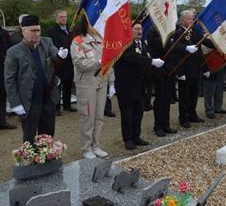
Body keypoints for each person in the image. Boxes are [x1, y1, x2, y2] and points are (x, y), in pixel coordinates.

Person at [4, 15, 69, 142]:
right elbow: (9, 80)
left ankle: (47, 159)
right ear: (23, 31)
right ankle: (30, 160)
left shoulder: (46, 42)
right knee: (30, 136)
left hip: (48, 97)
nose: (37, 34)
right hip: (29, 100)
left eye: (38, 30)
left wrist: (60, 54)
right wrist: (15, 103)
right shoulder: (13, 52)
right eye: (33, 31)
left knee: (48, 135)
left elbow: (54, 54)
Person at [114, 23, 164, 150]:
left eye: (141, 29)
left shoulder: (143, 44)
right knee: (127, 114)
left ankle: (136, 136)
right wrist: (151, 61)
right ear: (129, 30)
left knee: (138, 112)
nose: (139, 31)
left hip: (140, 85)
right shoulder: (125, 45)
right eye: (136, 29)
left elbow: (145, 57)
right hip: (126, 85)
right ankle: (128, 139)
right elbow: (132, 58)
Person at [70, 18, 114, 159]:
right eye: (93, 23)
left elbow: (111, 62)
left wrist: (112, 82)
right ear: (86, 24)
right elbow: (80, 63)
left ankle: (96, 145)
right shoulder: (78, 41)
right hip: (86, 83)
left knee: (99, 116)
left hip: (102, 81)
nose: (97, 26)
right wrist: (99, 62)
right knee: (88, 117)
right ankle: (86, 147)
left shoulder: (101, 40)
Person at [146, 25, 198, 137]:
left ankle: (166, 124)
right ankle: (158, 126)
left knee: (167, 98)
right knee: (160, 99)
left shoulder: (172, 30)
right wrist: (185, 48)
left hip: (171, 69)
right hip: (159, 69)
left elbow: (174, 48)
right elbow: (165, 45)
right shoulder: (153, 31)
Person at [175, 10, 210, 128]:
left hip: (195, 68)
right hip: (184, 70)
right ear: (183, 20)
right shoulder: (177, 32)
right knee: (184, 95)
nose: (192, 21)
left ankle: (192, 114)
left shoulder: (194, 30)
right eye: (190, 19)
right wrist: (180, 72)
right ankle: (183, 118)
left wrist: (217, 44)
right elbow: (175, 52)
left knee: (193, 94)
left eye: (193, 18)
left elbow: (203, 42)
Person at [0, 9, 16, 134]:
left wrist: (9, 59)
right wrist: (1, 58)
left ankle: (1, 121)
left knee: (2, 96)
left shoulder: (4, 32)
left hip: (4, 69)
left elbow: (11, 47)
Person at [47, 10, 76, 115]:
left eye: (65, 17)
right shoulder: (52, 30)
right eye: (61, 17)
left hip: (70, 61)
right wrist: (63, 54)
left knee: (68, 83)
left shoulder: (70, 29)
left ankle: (67, 105)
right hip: (60, 60)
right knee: (58, 84)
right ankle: (56, 107)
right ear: (56, 18)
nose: (64, 18)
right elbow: (55, 44)